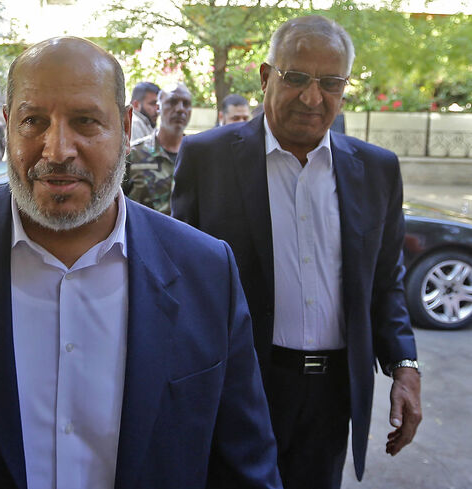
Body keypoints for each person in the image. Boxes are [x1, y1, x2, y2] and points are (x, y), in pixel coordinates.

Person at [0, 36, 281, 489]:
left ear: (126, 128)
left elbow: (244, 464)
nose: (56, 151)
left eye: (85, 121)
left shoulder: (205, 271)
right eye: (33, 121)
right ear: (7, 126)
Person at [172, 15, 421, 489]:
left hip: (333, 397)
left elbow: (385, 284)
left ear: (344, 88)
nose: (312, 97)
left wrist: (404, 367)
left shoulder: (377, 170)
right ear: (266, 77)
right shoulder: (207, 158)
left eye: (330, 83)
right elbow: (182, 284)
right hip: (240, 387)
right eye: (297, 77)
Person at [124, 83, 192, 214]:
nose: (180, 109)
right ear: (158, 107)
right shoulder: (133, 154)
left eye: (186, 104)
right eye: (172, 102)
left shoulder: (198, 156)